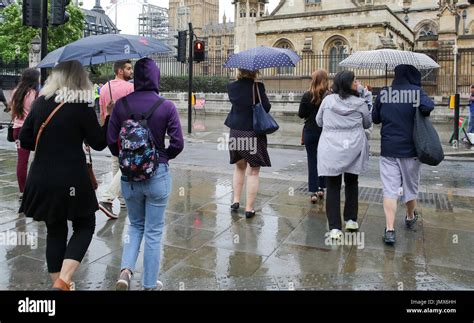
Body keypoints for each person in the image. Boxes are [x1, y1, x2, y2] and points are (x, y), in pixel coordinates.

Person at [18, 60, 110, 290]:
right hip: (72, 179)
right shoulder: (81, 106)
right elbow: (99, 142)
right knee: (85, 224)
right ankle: (64, 281)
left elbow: (27, 141)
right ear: (80, 79)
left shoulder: (40, 103)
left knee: (55, 229)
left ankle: (59, 285)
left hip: (42, 177)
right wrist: (107, 118)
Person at [108, 58, 184, 291]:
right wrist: (163, 157)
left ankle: (125, 272)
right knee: (153, 231)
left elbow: (111, 143)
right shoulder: (166, 106)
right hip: (157, 176)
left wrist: (128, 158)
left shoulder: (121, 105)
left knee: (134, 226)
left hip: (129, 177)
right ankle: (150, 284)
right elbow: (178, 143)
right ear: (156, 77)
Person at [373, 64, 434, 245]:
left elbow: (375, 118)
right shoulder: (416, 92)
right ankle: (409, 216)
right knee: (410, 186)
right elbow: (428, 107)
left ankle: (390, 230)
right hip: (411, 149)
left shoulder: (385, 93)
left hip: (389, 149)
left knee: (390, 190)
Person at [316, 71, 372, 240]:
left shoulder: (327, 101)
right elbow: (368, 123)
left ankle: (334, 228)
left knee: (332, 185)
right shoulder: (360, 103)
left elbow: (319, 121)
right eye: (355, 80)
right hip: (353, 146)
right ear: (348, 84)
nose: (357, 82)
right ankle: (351, 220)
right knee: (351, 182)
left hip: (331, 146)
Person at [224, 69, 272, 219]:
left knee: (239, 167)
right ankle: (249, 209)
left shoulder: (232, 86)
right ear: (255, 71)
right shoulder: (257, 87)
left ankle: (235, 201)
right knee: (253, 171)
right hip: (251, 132)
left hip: (235, 131)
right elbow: (266, 107)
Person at [99, 60, 134, 219]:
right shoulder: (130, 88)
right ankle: (108, 197)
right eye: (128, 68)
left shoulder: (104, 88)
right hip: (127, 130)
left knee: (116, 162)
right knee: (128, 164)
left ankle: (121, 200)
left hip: (111, 130)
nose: (131, 71)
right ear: (120, 71)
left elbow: (102, 113)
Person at [9, 69, 40, 201]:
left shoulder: (15, 92)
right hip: (32, 130)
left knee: (22, 161)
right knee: (39, 160)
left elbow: (12, 112)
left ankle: (23, 192)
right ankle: (38, 188)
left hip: (17, 129)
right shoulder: (35, 94)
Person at [298, 70, 328, 204]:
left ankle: (313, 192)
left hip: (310, 131)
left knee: (312, 161)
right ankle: (322, 188)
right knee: (324, 161)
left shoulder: (306, 95)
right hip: (325, 133)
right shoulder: (329, 96)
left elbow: (301, 114)